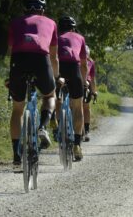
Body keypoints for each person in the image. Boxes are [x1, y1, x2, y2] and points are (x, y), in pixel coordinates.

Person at [6, 0, 60, 168]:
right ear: (42, 10)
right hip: (41, 61)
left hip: (19, 61)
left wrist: (10, 76)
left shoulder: (15, 23)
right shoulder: (51, 23)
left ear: (24, 9)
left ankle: (16, 155)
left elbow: (10, 51)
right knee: (49, 96)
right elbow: (53, 56)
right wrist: (56, 77)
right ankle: (43, 127)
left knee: (17, 109)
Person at [56, 16, 87, 161]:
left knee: (52, 97)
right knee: (78, 106)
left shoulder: (55, 37)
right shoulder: (80, 37)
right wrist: (85, 81)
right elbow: (84, 64)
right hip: (74, 69)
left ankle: (55, 123)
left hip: (59, 67)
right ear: (73, 28)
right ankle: (77, 145)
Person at [83, 45, 97, 142]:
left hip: (86, 85)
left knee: (86, 107)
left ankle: (87, 130)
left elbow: (92, 78)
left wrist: (94, 91)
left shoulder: (91, 62)